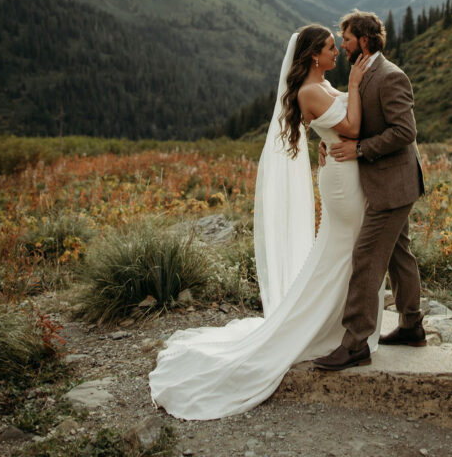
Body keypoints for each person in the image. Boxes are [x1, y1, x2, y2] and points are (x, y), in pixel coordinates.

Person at [148, 23, 380, 420]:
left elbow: (330, 129)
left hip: (347, 174)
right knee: (346, 251)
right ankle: (336, 329)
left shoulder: (322, 86)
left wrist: (327, 140)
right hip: (343, 185)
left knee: (346, 252)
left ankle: (346, 326)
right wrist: (355, 86)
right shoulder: (310, 90)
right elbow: (353, 128)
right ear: (312, 55)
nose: (336, 52)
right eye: (329, 47)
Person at [313, 9, 425, 371]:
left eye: (345, 39)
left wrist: (359, 149)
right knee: (398, 255)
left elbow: (405, 132)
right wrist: (332, 138)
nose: (342, 46)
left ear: (363, 40)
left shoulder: (390, 76)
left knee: (366, 258)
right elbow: (356, 118)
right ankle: (412, 326)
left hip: (393, 185)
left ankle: (356, 342)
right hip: (389, 183)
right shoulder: (364, 73)